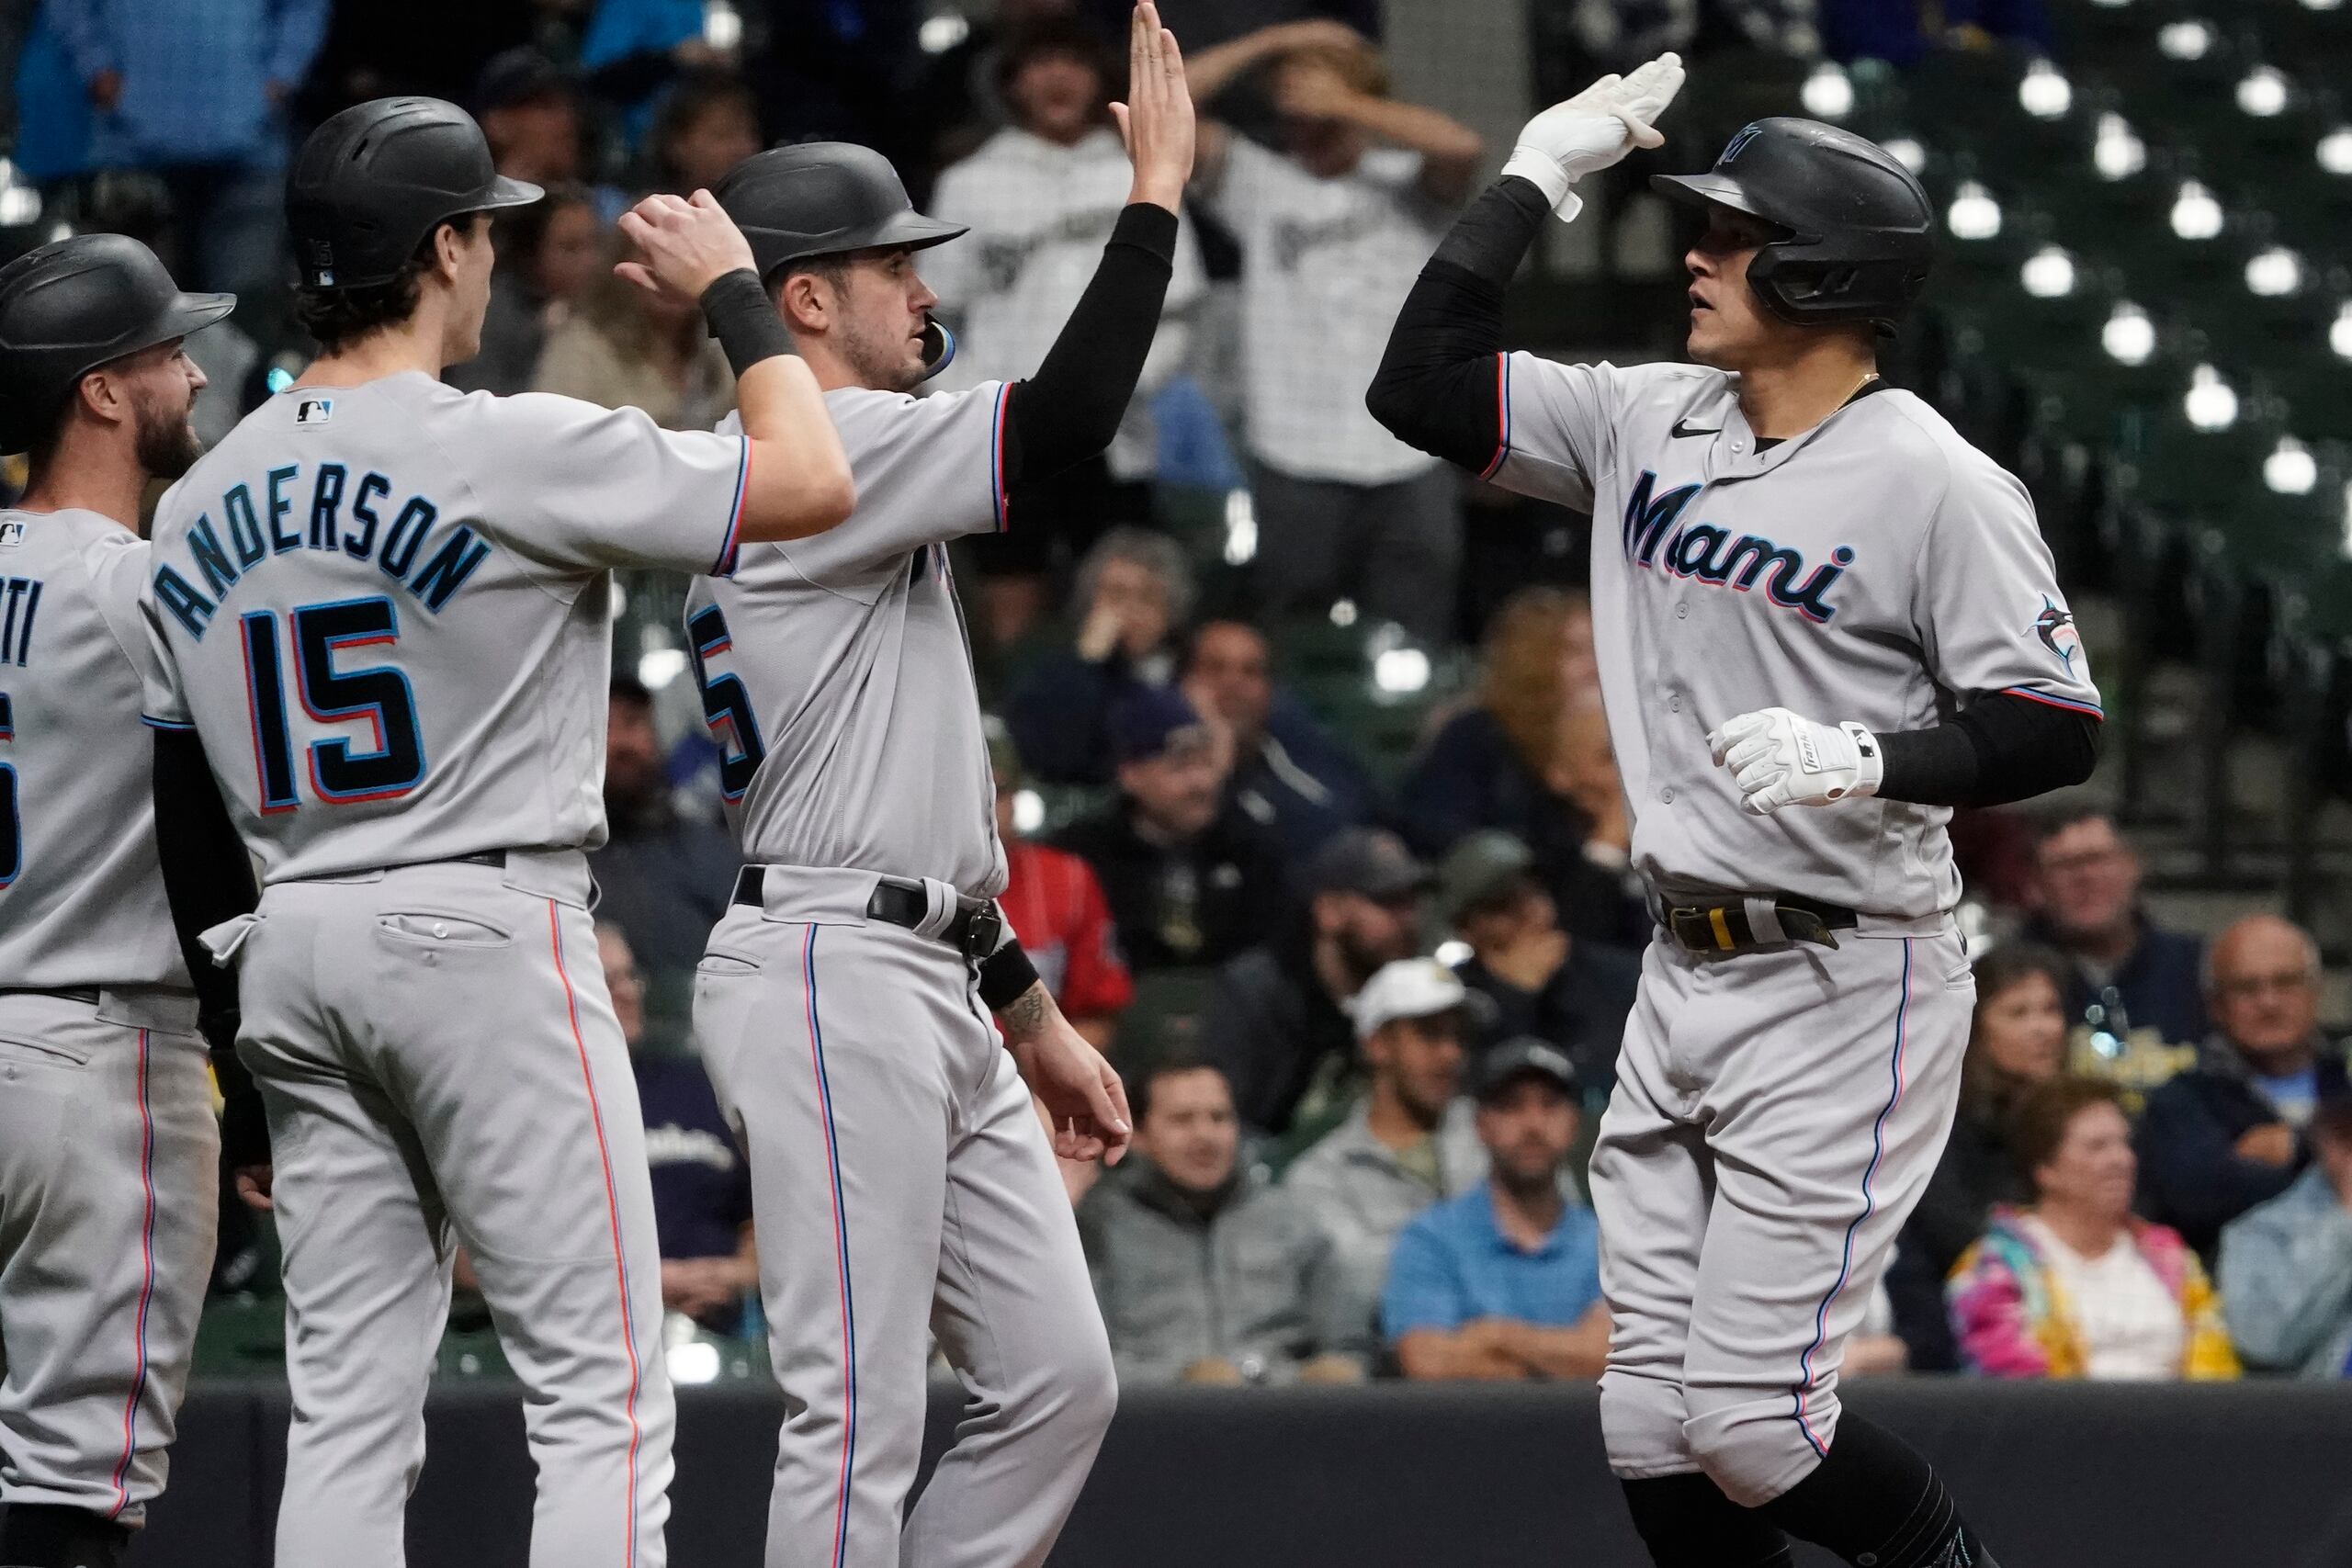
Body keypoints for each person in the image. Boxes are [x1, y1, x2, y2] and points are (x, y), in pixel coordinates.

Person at [1370, 70, 2110, 1567]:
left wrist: (1869, 755)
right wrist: (1529, 177)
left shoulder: (1936, 480)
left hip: (1853, 971)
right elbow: (1418, 387)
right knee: (1650, 1421)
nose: (1696, 254)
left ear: (1822, 271)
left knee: (1757, 1422)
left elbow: (2054, 722)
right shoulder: (1650, 416)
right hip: (1684, 964)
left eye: (1730, 231)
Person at [138, 96, 855, 1568]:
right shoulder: (511, 442)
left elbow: (178, 797)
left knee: (344, 1409)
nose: (491, 260)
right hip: (478, 926)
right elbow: (811, 479)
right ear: (448, 245)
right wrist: (735, 295)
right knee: (602, 1393)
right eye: (486, 231)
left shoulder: (196, 495)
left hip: (290, 938)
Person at [683, 11, 1192, 1563]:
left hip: (924, 962)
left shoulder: (842, 455)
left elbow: (918, 816)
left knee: (1053, 1378)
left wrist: (1032, 1018)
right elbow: (1072, 421)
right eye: (894, 265)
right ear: (805, 299)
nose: (927, 287)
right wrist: (1154, 197)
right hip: (831, 965)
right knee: (859, 1407)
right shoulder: (814, 445)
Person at [0, 235, 257, 1568]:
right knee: (71, 1482)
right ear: (99, 391)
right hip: (101, 1053)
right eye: (166, 351)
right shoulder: (151, 588)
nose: (195, 370)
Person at [1182, 19, 1481, 641]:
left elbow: (1462, 148)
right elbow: (1167, 108)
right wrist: (1278, 40)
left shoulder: (1406, 178)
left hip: (1408, 453)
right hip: (1296, 454)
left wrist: (1343, 100)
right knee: (1295, 646)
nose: (1305, 122)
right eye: (1293, 108)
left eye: (1316, 107)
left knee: (1417, 641)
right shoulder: (1259, 182)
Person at [926, 16, 1209, 647]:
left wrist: (1113, 387)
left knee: (1129, 602)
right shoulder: (969, 183)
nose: (1057, 76)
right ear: (1011, 83)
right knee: (1012, 600)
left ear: (1098, 77)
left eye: (1074, 62)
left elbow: (1180, 309)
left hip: (1118, 433)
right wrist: (987, 401)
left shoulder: (1139, 171)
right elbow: (933, 320)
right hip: (1005, 433)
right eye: (1039, 62)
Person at [1079, 1055, 1363, 1383]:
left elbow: (1349, 1347)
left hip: (1286, 1415)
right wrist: (1180, 1380)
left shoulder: (1288, 1216)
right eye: (1182, 1120)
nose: (1205, 1135)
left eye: (1219, 1118)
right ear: (1137, 1135)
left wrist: (1318, 1375)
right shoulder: (1100, 1226)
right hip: (1154, 1420)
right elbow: (1083, 1362)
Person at [1946, 1077, 2238, 1381]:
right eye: (2097, 1147)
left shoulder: (2168, 1254)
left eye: (2124, 1143)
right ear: (2045, 1170)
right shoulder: (1992, 1267)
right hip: (2062, 1424)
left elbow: (2215, 1371)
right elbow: (2012, 1391)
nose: (2122, 1160)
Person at [1399, 587, 1637, 943]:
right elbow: (1451, 849)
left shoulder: (1619, 732)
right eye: (1575, 651)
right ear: (1530, 660)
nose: (1596, 664)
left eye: (1599, 645)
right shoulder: (1475, 738)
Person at [1283, 957, 1489, 1361]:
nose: (1451, 1055)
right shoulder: (1320, 1178)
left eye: (1458, 1037)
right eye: (1430, 1036)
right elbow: (1360, 1292)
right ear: (1377, 1045)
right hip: (1385, 1382)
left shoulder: (1496, 1135)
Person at [50, 0, 329, 299]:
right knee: (130, 309)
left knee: (246, 309)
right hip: (131, 146)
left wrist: (280, 78)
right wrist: (97, 69)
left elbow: (305, 8)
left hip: (248, 146)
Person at [1887, 944, 2072, 1369]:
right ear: (1977, 1026)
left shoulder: (2083, 1119)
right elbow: (1954, 1233)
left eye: (2050, 1010)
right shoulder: (1941, 1120)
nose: (2043, 1028)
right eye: (2019, 1013)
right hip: (1958, 1323)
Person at [1384, 1040, 1609, 1380]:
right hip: (1468, 1433)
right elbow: (1426, 1362)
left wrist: (1496, 1336)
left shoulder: (1609, 1242)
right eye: (1511, 1106)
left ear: (1574, 1123)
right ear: (1481, 1125)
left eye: (1550, 1105)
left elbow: (1612, 1359)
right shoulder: (1431, 1238)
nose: (1533, 1124)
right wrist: (1565, 1355)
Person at [2137, 915, 2352, 1259]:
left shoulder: (2347, 1081)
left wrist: (2295, 1147)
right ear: (2215, 1006)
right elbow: (2202, 1200)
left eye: (2286, 982)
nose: (2269, 1002)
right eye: (2247, 988)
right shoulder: (2179, 1100)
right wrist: (2331, 1163)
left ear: (2316, 990)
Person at [1206, 826, 1429, 1134]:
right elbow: (1228, 1121)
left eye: (1411, 902)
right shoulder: (1255, 995)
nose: (1407, 920)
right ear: (1328, 912)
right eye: (1387, 901)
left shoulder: (1420, 999)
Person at [1051, 685, 1289, 974]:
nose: (1202, 783)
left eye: (1207, 763)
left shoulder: (1251, 851)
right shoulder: (1083, 858)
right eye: (1181, 767)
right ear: (1130, 774)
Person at [603, 922, 758, 1334]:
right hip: (600, 1323)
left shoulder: (700, 1088)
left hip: (727, 1324)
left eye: (630, 976)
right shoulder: (543, 1108)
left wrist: (734, 1277)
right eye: (606, 980)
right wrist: (645, 1285)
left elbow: (765, 1224)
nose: (628, 992)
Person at [1438, 829, 1640, 1100]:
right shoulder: (1454, 1000)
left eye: (1533, 893)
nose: (1530, 913)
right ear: (1466, 929)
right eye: (1503, 906)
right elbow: (1474, 1094)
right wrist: (1516, 996)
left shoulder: (1620, 976)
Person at [2023, 807, 2206, 1090]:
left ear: (2134, 866)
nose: (2085, 877)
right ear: (2036, 885)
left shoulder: (2197, 969)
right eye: (2065, 865)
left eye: (2098, 859)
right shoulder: (2007, 982)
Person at [1182, 617, 1380, 865]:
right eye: (1215, 668)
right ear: (1184, 681)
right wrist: (1216, 754)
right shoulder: (1153, 764)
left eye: (1251, 671)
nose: (1233, 685)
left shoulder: (1310, 764)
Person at [588, 677, 743, 995]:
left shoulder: (708, 850)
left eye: (632, 722)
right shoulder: (555, 860)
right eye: (603, 727)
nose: (620, 743)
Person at [1003, 525, 1193, 784]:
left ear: (1170, 609)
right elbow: (1049, 753)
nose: (1130, 610)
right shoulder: (1052, 665)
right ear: (1091, 600)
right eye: (1116, 595)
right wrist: (1088, 659)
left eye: (1147, 597)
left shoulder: (1190, 668)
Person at [990, 721, 1135, 1047]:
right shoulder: (904, 889)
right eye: (968, 794)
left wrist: (1044, 1090)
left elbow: (1097, 1013)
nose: (985, 811)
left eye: (998, 793)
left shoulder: (1067, 880)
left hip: (1034, 1077)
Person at [533, 243, 738, 430]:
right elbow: (551, 434)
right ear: (622, 264)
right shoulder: (580, 346)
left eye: (681, 255)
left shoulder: (721, 345)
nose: (668, 270)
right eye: (652, 253)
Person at [2218, 1098, 2352, 1380]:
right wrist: (2345, 1224)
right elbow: (2263, 1342)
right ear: (2335, 1148)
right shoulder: (2263, 1234)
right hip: (2326, 1414)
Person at [449, 182, 605, 396]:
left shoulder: (608, 307)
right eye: (571, 248)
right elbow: (480, 398)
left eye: (595, 243)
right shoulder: (491, 315)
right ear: (530, 253)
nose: (590, 261)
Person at [645, 69, 763, 196]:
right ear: (678, 144)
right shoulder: (650, 212)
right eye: (723, 135)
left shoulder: (769, 209)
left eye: (751, 134)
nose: (744, 148)